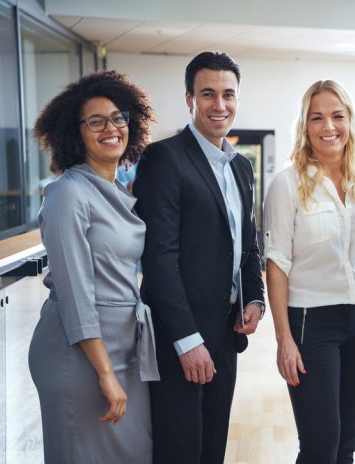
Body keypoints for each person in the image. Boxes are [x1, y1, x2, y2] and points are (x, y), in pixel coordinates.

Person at [133, 51, 265, 464]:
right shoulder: (164, 158)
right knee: (180, 450)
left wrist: (255, 298)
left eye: (228, 94)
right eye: (208, 93)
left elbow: (247, 246)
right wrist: (187, 341)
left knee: (212, 447)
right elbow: (158, 259)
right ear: (189, 98)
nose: (219, 105)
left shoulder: (241, 167)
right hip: (181, 338)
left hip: (226, 333)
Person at [28, 70, 158, 464]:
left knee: (134, 453)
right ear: (74, 131)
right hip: (81, 353)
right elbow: (75, 293)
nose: (110, 128)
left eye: (118, 117)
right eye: (95, 121)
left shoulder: (117, 190)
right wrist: (104, 372)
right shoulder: (68, 194)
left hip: (124, 346)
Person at [264, 80, 355, 464]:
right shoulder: (287, 184)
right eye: (317, 118)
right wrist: (284, 339)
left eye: (337, 116)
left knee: (347, 442)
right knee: (320, 446)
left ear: (350, 121)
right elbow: (276, 262)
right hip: (311, 323)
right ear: (305, 125)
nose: (328, 126)